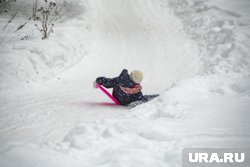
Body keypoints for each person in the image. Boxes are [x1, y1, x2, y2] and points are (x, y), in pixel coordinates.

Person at [94, 69, 159, 106]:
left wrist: (99, 80)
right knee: (144, 98)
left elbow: (107, 82)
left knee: (111, 82)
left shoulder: (118, 80)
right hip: (129, 101)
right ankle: (157, 97)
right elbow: (140, 96)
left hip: (118, 98)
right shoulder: (136, 87)